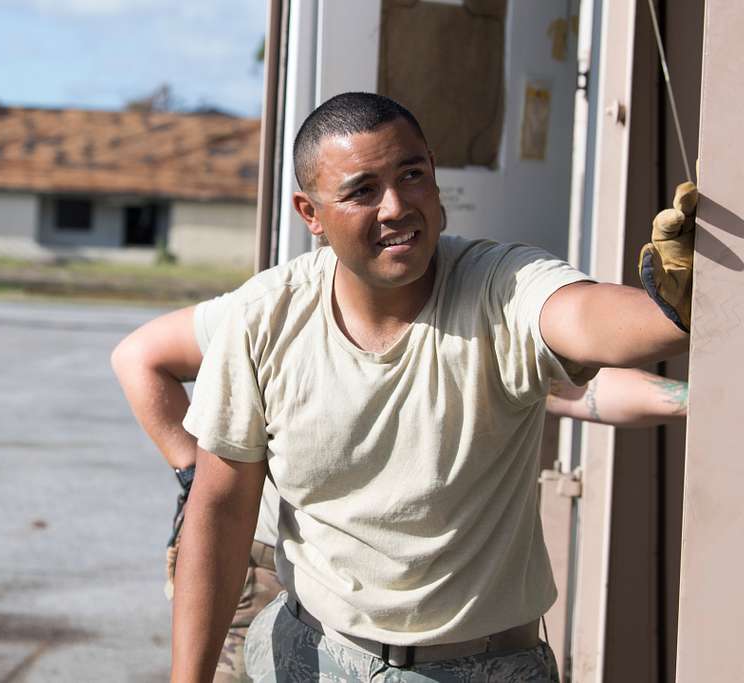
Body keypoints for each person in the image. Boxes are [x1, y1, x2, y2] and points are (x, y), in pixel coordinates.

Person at [163, 92, 694, 682]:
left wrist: (672, 310)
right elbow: (220, 511)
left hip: (486, 665)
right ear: (309, 213)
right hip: (309, 653)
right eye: (362, 191)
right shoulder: (265, 317)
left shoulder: (501, 285)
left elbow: (584, 316)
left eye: (411, 175)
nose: (396, 207)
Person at [111, 299, 687, 682]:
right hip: (256, 559)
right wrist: (200, 478)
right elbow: (138, 357)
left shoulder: (471, 329)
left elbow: (587, 389)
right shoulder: (271, 312)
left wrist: (696, 394)